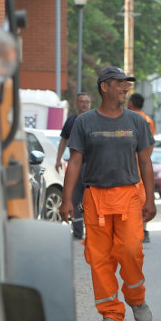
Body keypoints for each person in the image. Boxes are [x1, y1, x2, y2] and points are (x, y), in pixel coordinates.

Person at [59, 66, 156, 321]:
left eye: (127, 84)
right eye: (120, 84)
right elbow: (75, 162)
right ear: (105, 87)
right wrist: (67, 199)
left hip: (128, 195)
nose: (126, 88)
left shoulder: (136, 121)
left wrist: (150, 200)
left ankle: (136, 298)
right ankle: (112, 314)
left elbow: (146, 162)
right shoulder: (85, 122)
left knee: (130, 251)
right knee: (99, 257)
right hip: (95, 197)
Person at [55, 91, 92, 239]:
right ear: (77, 103)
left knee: (91, 200)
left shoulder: (95, 120)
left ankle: (94, 231)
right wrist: (58, 159)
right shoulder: (71, 121)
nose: (84, 104)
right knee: (76, 200)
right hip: (76, 167)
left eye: (87, 102)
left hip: (92, 167)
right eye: (82, 101)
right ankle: (78, 232)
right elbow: (63, 140)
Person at [127, 92, 156, 243]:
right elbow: (150, 143)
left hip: (130, 164)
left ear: (131, 103)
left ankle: (135, 230)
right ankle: (143, 230)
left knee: (133, 198)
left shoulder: (129, 118)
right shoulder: (148, 120)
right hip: (141, 163)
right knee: (142, 198)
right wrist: (145, 158)